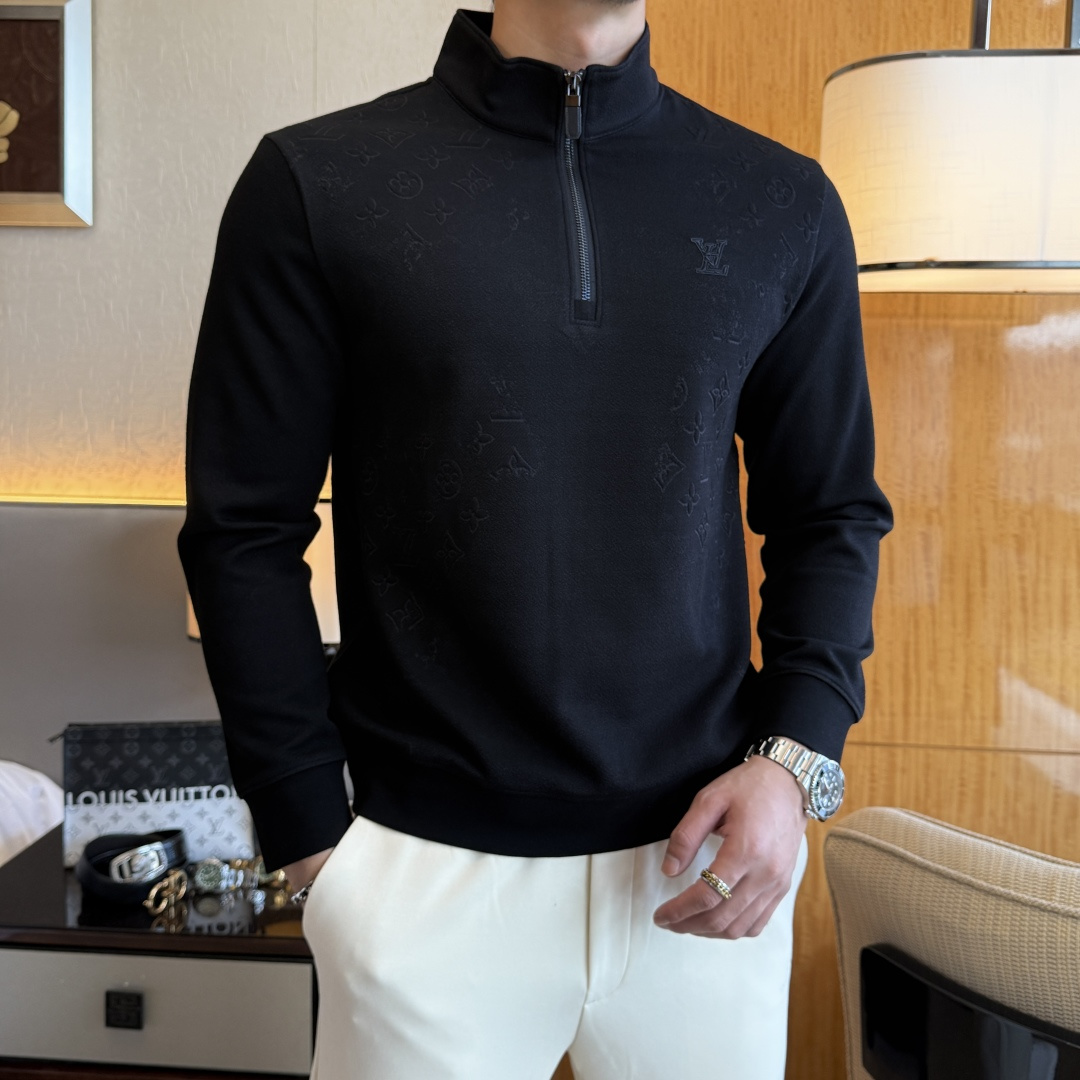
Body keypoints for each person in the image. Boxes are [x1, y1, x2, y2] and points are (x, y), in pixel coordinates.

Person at [177, 0, 893, 1075]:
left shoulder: (781, 201)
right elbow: (243, 529)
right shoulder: (318, 183)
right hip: (418, 873)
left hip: (706, 859)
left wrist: (794, 766)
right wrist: (312, 840)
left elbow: (829, 511)